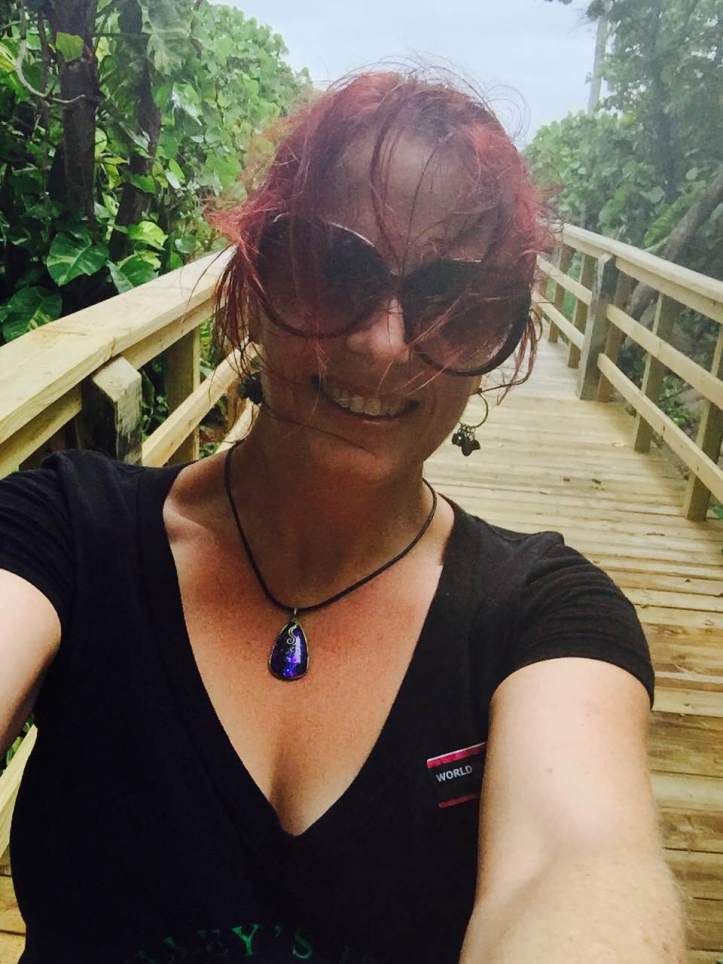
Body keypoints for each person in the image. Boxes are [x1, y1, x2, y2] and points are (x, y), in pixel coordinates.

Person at [0, 69, 683, 964]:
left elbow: (575, 860)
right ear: (254, 276)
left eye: (453, 301)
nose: (383, 342)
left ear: (501, 335)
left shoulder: (543, 618)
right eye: (332, 269)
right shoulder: (66, 533)